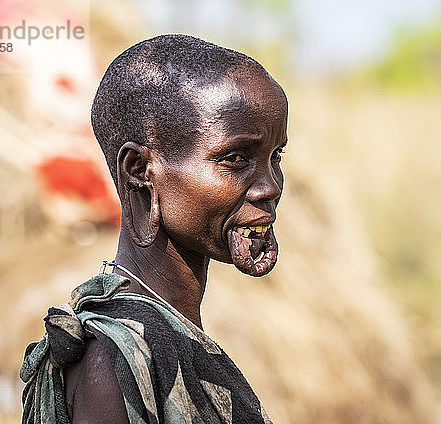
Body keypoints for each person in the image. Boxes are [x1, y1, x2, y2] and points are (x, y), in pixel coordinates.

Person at [20, 34, 288, 424]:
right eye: (236, 158)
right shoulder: (114, 366)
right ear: (140, 172)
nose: (271, 186)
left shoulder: (165, 337)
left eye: (275, 156)